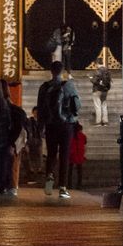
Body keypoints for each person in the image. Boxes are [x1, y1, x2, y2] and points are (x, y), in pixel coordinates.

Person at [37, 59, 80, 202]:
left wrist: (41, 127)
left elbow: (40, 109)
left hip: (50, 125)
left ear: (51, 71)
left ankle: (49, 176)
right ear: (62, 71)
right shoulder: (69, 86)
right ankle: (63, 188)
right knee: (64, 155)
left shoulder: (44, 87)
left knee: (51, 154)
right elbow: (77, 106)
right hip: (66, 125)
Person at [24, 108, 44, 184]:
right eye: (35, 112)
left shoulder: (40, 122)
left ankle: (38, 170)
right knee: (31, 156)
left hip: (38, 140)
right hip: (32, 140)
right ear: (33, 112)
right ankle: (31, 171)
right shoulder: (30, 121)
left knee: (38, 156)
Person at [68, 125, 86, 190]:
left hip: (72, 154)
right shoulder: (83, 135)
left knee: (70, 170)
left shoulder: (71, 135)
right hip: (79, 154)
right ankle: (79, 184)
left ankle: (69, 184)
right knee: (79, 171)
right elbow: (84, 143)